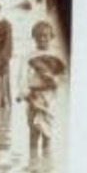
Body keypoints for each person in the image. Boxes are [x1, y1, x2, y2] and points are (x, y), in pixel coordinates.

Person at [19, 20, 66, 153]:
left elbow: (63, 78)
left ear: (51, 36)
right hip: (33, 96)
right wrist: (28, 96)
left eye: (45, 35)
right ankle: (33, 164)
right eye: (38, 35)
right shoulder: (28, 57)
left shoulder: (57, 56)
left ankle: (45, 166)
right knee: (33, 132)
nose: (42, 38)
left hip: (50, 98)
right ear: (34, 37)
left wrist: (54, 80)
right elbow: (21, 79)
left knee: (47, 133)